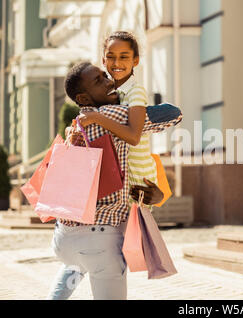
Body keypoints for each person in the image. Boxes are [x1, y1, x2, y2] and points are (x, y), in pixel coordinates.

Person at [47, 62, 182, 300]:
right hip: (99, 241)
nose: (110, 81)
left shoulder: (76, 125)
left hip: (64, 239)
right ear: (83, 97)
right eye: (99, 80)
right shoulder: (112, 115)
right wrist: (133, 95)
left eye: (105, 75)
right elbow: (173, 114)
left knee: (74, 267)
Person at [78, 31, 161, 207]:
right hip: (120, 180)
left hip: (138, 182)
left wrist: (96, 117)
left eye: (124, 57)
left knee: (136, 233)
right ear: (103, 60)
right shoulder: (110, 93)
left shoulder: (135, 91)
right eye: (111, 57)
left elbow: (133, 136)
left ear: (135, 61)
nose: (116, 63)